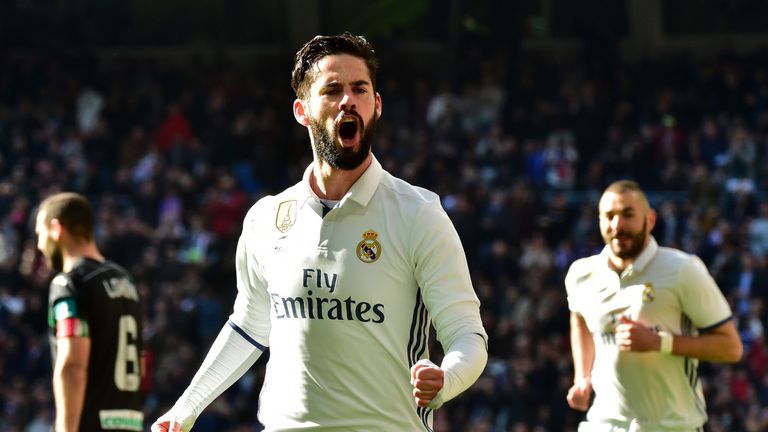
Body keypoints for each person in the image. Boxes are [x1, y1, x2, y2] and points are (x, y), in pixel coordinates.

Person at [152, 32, 488, 431]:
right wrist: (185, 408)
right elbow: (249, 326)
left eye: (360, 89)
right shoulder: (266, 218)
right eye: (332, 90)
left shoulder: (419, 214)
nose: (348, 100)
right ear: (302, 110)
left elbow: (468, 335)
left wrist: (445, 380)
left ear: (376, 105)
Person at [565, 180, 743, 431]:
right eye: (609, 216)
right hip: (603, 424)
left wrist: (660, 342)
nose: (618, 225)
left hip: (672, 426)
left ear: (650, 220)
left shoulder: (683, 269)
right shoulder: (581, 274)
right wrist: (582, 376)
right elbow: (579, 319)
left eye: (628, 215)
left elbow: (731, 348)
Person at [36, 192, 144, 431]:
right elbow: (142, 362)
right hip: (130, 423)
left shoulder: (71, 283)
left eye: (39, 234)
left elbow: (72, 364)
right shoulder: (127, 282)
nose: (39, 245)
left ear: (56, 229)